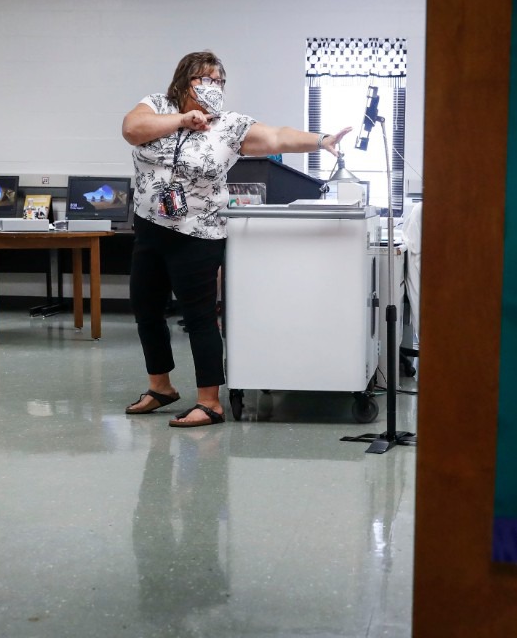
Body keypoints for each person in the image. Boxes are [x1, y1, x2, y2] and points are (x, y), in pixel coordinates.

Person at [121, 51, 351, 426]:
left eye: (219, 81)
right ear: (183, 81)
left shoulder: (229, 126)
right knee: (146, 310)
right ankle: (160, 386)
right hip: (150, 226)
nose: (212, 87)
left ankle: (209, 402)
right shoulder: (156, 106)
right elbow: (132, 130)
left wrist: (320, 140)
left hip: (198, 233)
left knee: (199, 317)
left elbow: (278, 136)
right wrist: (183, 119)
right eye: (204, 79)